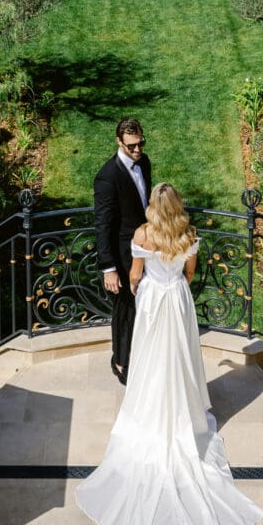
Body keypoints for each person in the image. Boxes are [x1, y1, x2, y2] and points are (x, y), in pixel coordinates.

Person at [77, 183, 263, 525]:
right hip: (177, 300)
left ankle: (149, 405)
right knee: (178, 356)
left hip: (151, 300)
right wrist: (172, 282)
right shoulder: (189, 234)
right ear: (177, 205)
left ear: (153, 207)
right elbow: (190, 274)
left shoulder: (143, 234)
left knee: (149, 357)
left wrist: (142, 287)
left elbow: (134, 275)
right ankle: (182, 406)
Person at [93, 117, 151, 385]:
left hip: (144, 249)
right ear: (119, 142)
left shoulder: (145, 163)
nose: (137, 150)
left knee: (142, 306)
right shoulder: (107, 176)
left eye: (140, 144)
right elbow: (103, 225)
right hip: (122, 256)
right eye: (132, 146)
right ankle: (121, 362)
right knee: (125, 309)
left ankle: (141, 355)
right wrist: (109, 268)